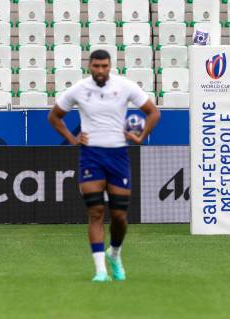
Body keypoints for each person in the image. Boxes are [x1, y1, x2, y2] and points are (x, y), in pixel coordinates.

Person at [48, 49, 160, 282]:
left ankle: (115, 254)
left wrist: (140, 136)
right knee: (95, 212)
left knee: (119, 216)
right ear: (90, 66)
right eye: (96, 66)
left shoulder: (125, 86)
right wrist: (72, 139)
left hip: (118, 155)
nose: (100, 70)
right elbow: (54, 116)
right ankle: (100, 271)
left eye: (104, 66)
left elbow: (153, 113)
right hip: (91, 155)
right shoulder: (79, 89)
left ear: (110, 66)